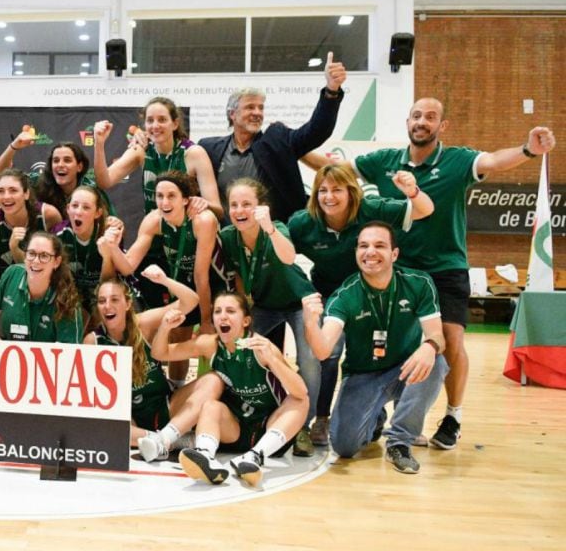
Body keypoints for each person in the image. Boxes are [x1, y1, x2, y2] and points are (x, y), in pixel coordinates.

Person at [326, 99, 556, 450]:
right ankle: (377, 411)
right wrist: (293, 153)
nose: (422, 122)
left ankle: (453, 415)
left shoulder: (458, 160)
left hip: (445, 267)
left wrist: (528, 149)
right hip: (397, 268)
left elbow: (493, 160)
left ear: (442, 126)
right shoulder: (383, 161)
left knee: (448, 342)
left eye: (430, 117)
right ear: (407, 121)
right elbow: (338, 171)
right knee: (387, 340)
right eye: (417, 116)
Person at [287, 164, 433, 446]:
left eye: (337, 189)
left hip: (376, 293)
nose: (329, 196)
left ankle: (402, 424)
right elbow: (282, 257)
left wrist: (412, 191)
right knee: (327, 355)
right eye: (323, 190)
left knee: (398, 353)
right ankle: (321, 418)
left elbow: (425, 210)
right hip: (332, 297)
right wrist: (304, 290)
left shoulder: (372, 209)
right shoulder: (303, 223)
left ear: (351, 192)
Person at [302, 222, 447, 474]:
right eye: (363, 246)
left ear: (394, 254)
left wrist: (430, 345)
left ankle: (399, 442)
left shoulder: (418, 283)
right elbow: (323, 351)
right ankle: (375, 416)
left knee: (436, 361)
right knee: (344, 447)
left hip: (403, 369)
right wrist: (310, 324)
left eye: (379, 245)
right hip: (362, 374)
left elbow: (438, 335)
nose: (370, 252)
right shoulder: (345, 295)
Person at [153, 293, 309, 486]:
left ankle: (254, 457)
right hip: (234, 428)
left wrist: (272, 359)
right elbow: (160, 353)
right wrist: (164, 327)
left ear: (245, 321)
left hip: (268, 430)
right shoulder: (210, 344)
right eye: (218, 311)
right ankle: (205, 456)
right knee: (211, 406)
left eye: (230, 311)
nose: (223, 316)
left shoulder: (262, 347)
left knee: (301, 401)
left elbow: (301, 392)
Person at [217, 177, 317, 456]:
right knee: (241, 348)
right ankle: (247, 415)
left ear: (261, 206)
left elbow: (288, 257)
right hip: (262, 307)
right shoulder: (227, 236)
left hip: (298, 303)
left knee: (309, 361)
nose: (239, 210)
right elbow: (237, 276)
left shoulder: (276, 228)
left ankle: (303, 428)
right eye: (234, 204)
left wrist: (270, 228)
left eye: (247, 204)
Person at [199, 52, 347, 223]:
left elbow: (316, 131)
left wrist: (331, 91)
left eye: (261, 108)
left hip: (274, 236)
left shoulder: (278, 140)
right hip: (228, 240)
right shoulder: (209, 148)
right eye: (250, 107)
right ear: (232, 114)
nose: (257, 113)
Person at [108, 171, 218, 385]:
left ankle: (192, 389)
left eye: (171, 196)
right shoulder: (153, 219)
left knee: (192, 338)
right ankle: (167, 387)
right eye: (159, 196)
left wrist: (206, 321)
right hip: (184, 283)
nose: (164, 202)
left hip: (214, 282)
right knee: (163, 331)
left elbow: (201, 275)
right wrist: (113, 247)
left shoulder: (202, 220)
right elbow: (129, 265)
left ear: (185, 199)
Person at [83, 269, 203, 462]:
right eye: (102, 301)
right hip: (129, 420)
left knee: (210, 382)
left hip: (165, 407)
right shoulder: (93, 341)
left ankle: (163, 440)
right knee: (105, 425)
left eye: (114, 299)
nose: (107, 306)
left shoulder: (143, 324)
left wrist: (164, 280)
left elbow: (191, 301)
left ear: (128, 303)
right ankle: (169, 441)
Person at [92, 99, 223, 218]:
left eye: (162, 120)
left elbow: (218, 210)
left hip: (188, 233)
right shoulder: (141, 150)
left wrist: (201, 203)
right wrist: (99, 143)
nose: (155, 125)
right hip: (155, 230)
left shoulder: (194, 153)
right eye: (150, 120)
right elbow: (104, 181)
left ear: (175, 124)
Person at [0, 232, 84, 343]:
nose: (36, 261)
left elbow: (70, 353)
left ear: (56, 262)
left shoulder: (66, 299)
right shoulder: (12, 274)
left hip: (47, 363)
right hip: (12, 352)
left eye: (44, 256)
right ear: (25, 256)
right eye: (31, 253)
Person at [0, 169, 62, 291]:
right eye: (1, 191)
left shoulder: (48, 215)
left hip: (38, 284)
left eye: (13, 190)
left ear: (26, 194)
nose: (6, 197)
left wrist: (15, 248)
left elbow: (58, 264)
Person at [0, 133, 110, 216]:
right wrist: (14, 146)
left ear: (79, 166)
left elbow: (110, 222)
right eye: (56, 160)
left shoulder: (91, 191)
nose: (60, 164)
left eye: (67, 160)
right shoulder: (37, 181)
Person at [53, 185, 118, 322]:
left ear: (98, 213)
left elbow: (111, 281)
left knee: (108, 301)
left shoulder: (108, 234)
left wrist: (107, 257)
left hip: (102, 292)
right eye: (75, 206)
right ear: (68, 209)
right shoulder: (59, 235)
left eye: (86, 207)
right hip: (72, 294)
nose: (78, 212)